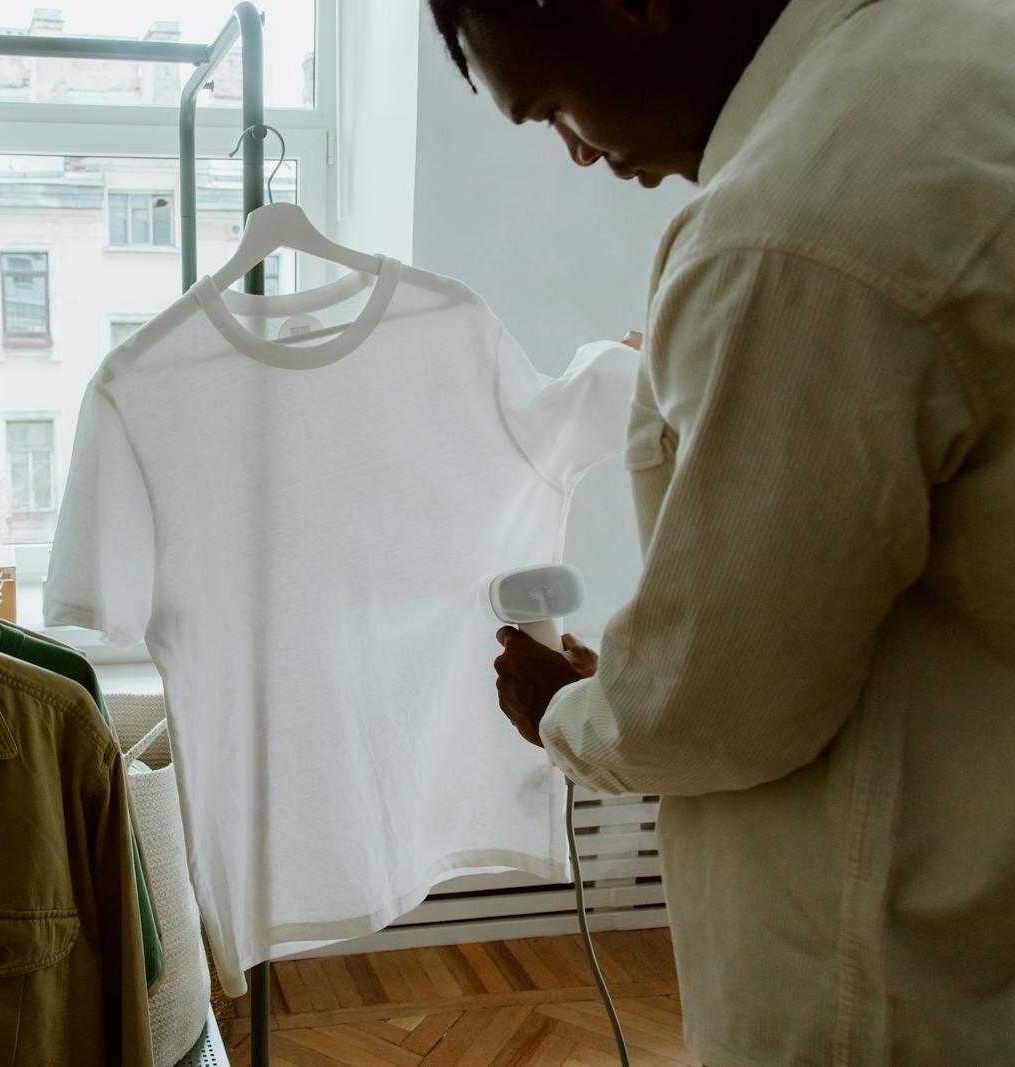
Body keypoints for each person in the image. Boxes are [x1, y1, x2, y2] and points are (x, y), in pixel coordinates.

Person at [430, 0, 1015, 1064]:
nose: (576, 153)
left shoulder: (792, 235)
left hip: (881, 964)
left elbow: (725, 705)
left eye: (557, 104)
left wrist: (567, 710)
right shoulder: (961, 55)